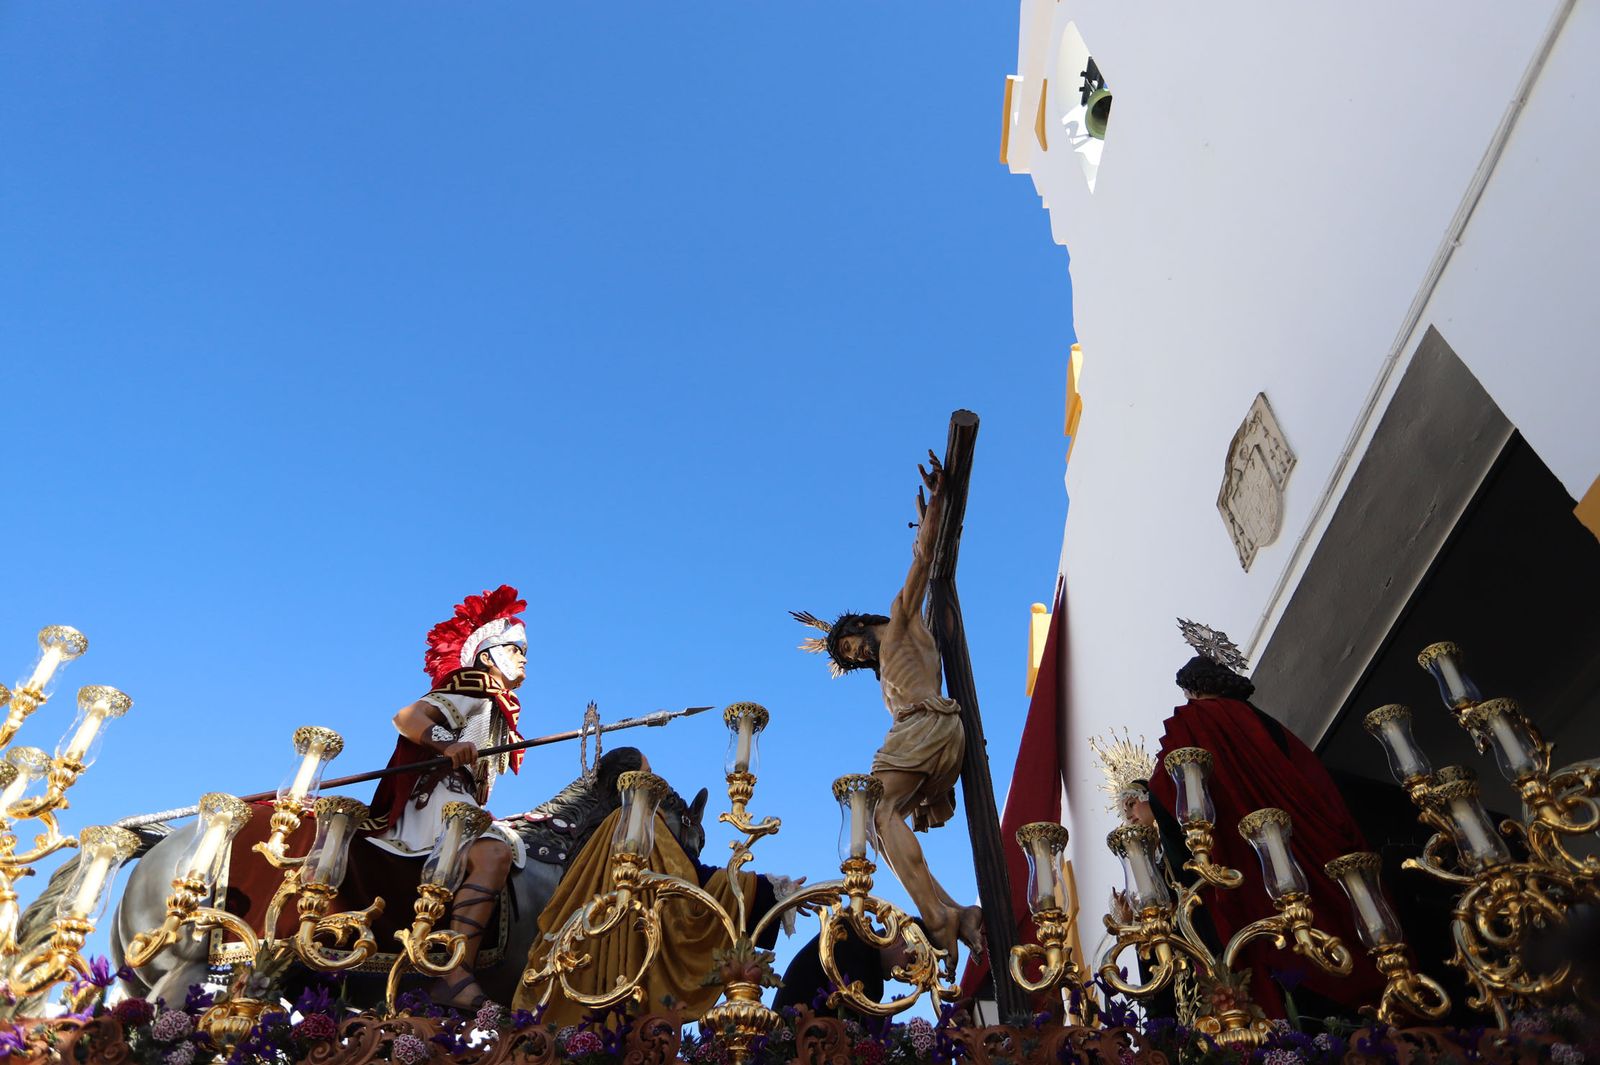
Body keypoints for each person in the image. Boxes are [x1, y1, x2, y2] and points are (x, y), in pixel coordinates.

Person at [792, 449, 983, 957]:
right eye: (849, 658)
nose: (855, 656)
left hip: (926, 725)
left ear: (859, 626)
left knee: (873, 807)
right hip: (921, 734)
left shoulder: (900, 621)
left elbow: (922, 560)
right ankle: (950, 910)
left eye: (851, 646)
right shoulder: (886, 673)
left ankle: (939, 916)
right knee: (876, 821)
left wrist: (938, 505)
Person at [1147, 620, 1383, 1019]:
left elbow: (1169, 788)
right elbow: (1322, 793)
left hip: (1254, 872)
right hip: (1323, 863)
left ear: (1193, 690)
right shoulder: (1274, 728)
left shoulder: (1194, 722)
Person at [363, 584, 530, 1009]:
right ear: (488, 656)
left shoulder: (497, 707)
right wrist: (444, 743)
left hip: (461, 804)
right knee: (494, 854)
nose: (524, 657)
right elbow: (407, 717)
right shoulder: (474, 686)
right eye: (515, 648)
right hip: (438, 800)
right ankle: (456, 973)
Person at [772, 918, 926, 1020]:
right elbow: (860, 1022)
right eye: (912, 960)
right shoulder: (854, 936)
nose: (910, 973)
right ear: (900, 938)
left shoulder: (865, 954)